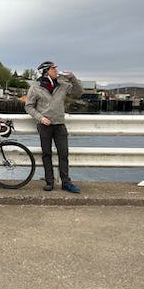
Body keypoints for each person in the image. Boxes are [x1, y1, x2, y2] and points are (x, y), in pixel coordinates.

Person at [25, 61, 84, 193]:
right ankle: (49, 182)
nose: (56, 70)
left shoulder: (62, 84)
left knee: (64, 154)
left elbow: (79, 93)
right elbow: (28, 106)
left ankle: (66, 182)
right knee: (47, 154)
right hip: (44, 125)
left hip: (59, 125)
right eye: (53, 69)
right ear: (46, 71)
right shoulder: (36, 87)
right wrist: (40, 118)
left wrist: (73, 77)